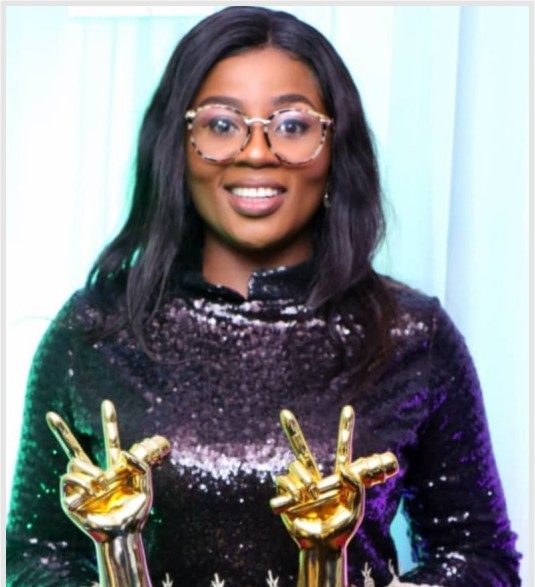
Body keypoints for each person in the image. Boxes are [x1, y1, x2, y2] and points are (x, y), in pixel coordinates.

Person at [6, 6, 521, 587]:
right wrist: (116, 550)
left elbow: (480, 556)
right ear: (177, 146)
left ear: (335, 147)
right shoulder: (96, 332)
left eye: (293, 125)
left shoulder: (409, 335)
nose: (256, 152)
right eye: (222, 124)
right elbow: (34, 554)